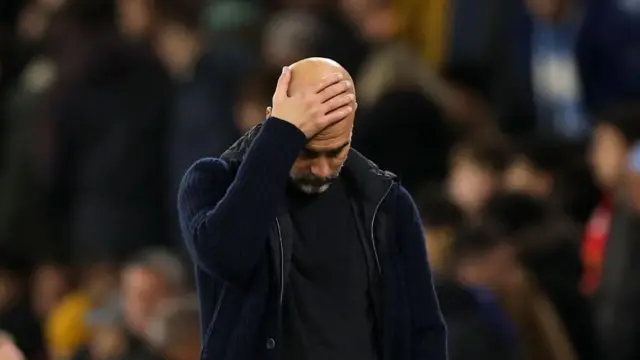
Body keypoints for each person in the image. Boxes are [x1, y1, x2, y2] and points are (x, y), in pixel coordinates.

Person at [177, 57, 447, 360]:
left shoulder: (387, 203)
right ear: (273, 122)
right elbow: (227, 255)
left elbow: (424, 330)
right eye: (307, 151)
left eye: (335, 152)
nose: (321, 170)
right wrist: (281, 136)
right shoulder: (212, 181)